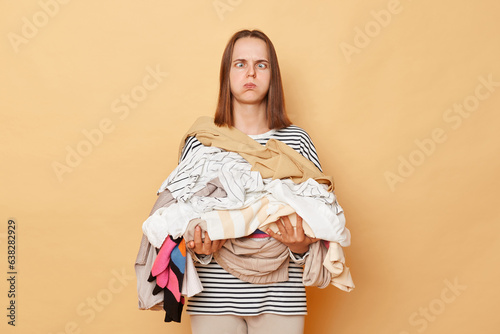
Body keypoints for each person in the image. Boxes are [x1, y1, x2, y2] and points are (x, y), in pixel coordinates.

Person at [181, 29, 325, 334]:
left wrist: (300, 247)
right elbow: (181, 220)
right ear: (226, 74)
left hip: (281, 298)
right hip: (214, 298)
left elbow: (320, 220)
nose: (250, 72)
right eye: (240, 64)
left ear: (273, 75)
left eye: (261, 64)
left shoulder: (296, 141)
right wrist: (202, 251)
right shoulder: (202, 142)